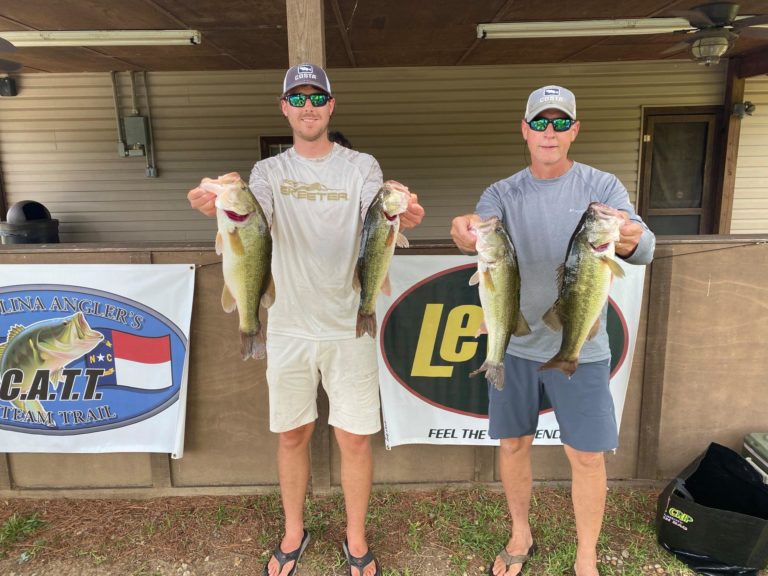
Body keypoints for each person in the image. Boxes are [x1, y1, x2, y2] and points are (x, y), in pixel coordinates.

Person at [188, 63, 424, 576]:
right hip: (289, 323)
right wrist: (222, 204)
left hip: (348, 322)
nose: (308, 105)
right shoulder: (269, 173)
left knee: (355, 438)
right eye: (298, 98)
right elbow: (256, 219)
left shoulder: (362, 166)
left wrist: (398, 210)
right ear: (284, 109)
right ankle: (294, 531)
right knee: (292, 434)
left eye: (317, 96)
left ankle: (355, 537)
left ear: (331, 105)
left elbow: (375, 215)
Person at [450, 85, 655, 576]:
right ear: (524, 130)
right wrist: (463, 232)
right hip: (514, 344)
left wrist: (628, 235)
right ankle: (520, 532)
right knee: (513, 444)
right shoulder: (502, 193)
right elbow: (478, 235)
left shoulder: (602, 188)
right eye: (540, 122)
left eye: (560, 122)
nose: (549, 131)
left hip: (583, 348)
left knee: (586, 456)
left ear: (574, 130)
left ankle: (587, 556)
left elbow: (643, 245)